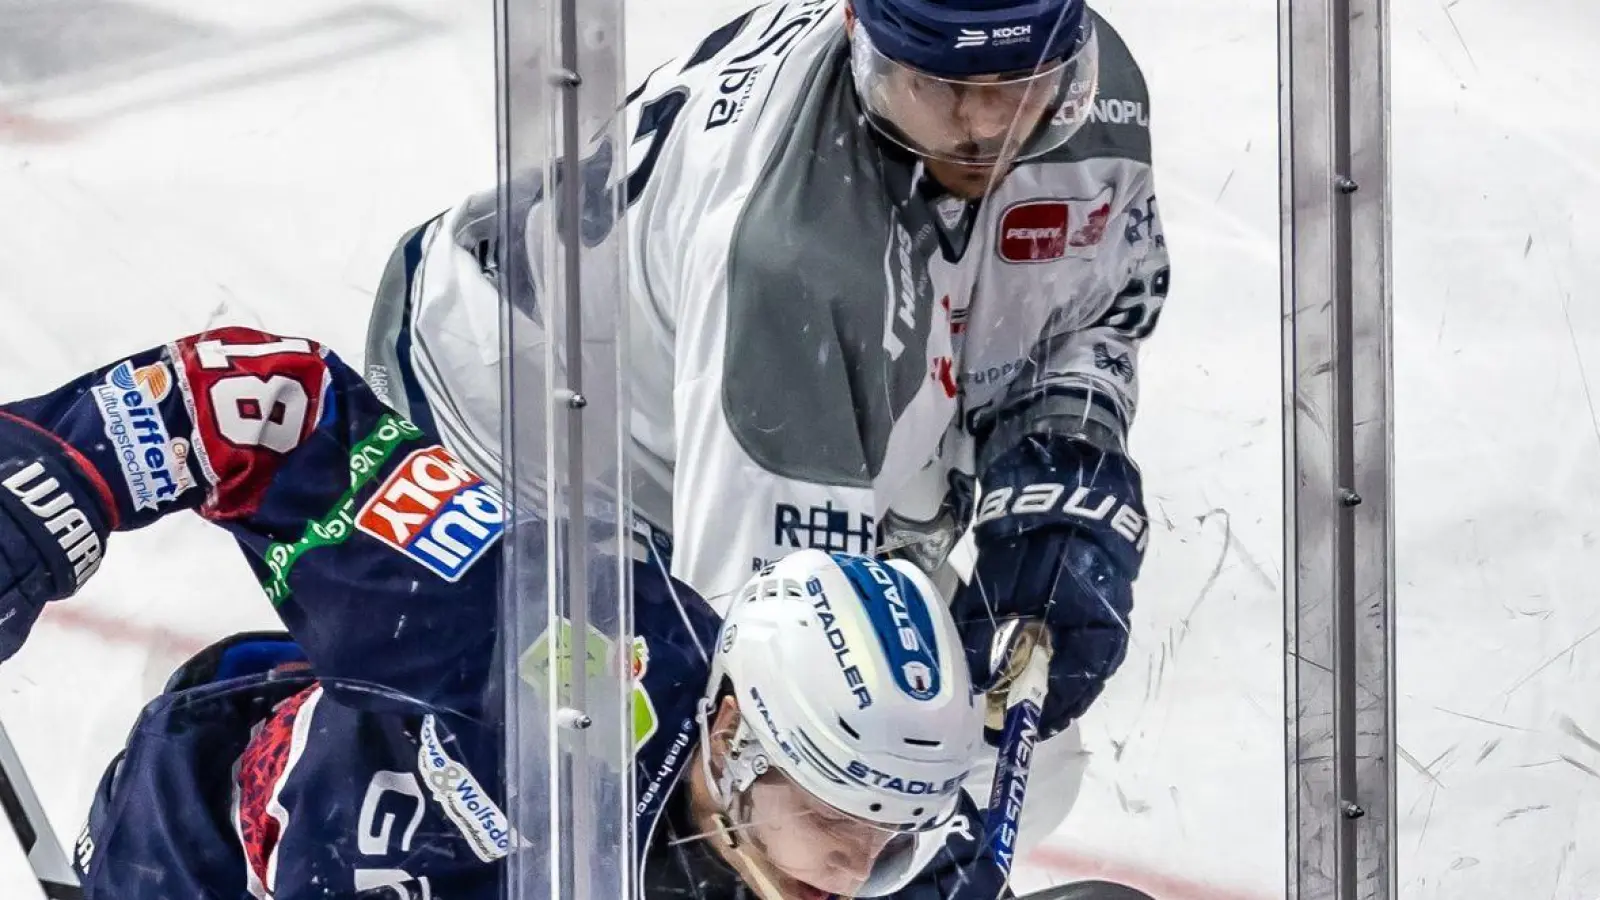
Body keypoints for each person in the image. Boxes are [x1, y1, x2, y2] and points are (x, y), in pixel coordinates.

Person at [364, 0, 1165, 843]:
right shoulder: (796, 262)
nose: (986, 127)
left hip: (733, 382)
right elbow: (764, 663)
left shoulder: (1099, 94)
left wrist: (1064, 456)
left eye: (1020, 86)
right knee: (615, 770)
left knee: (1012, 755)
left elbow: (1091, 310)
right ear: (862, 41)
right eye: (941, 86)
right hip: (520, 418)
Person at [0, 328, 1015, 899]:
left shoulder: (877, 856)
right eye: (837, 816)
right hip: (198, 858)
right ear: (735, 731)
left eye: (892, 837)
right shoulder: (547, 644)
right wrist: (49, 491)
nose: (857, 866)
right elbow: (276, 409)